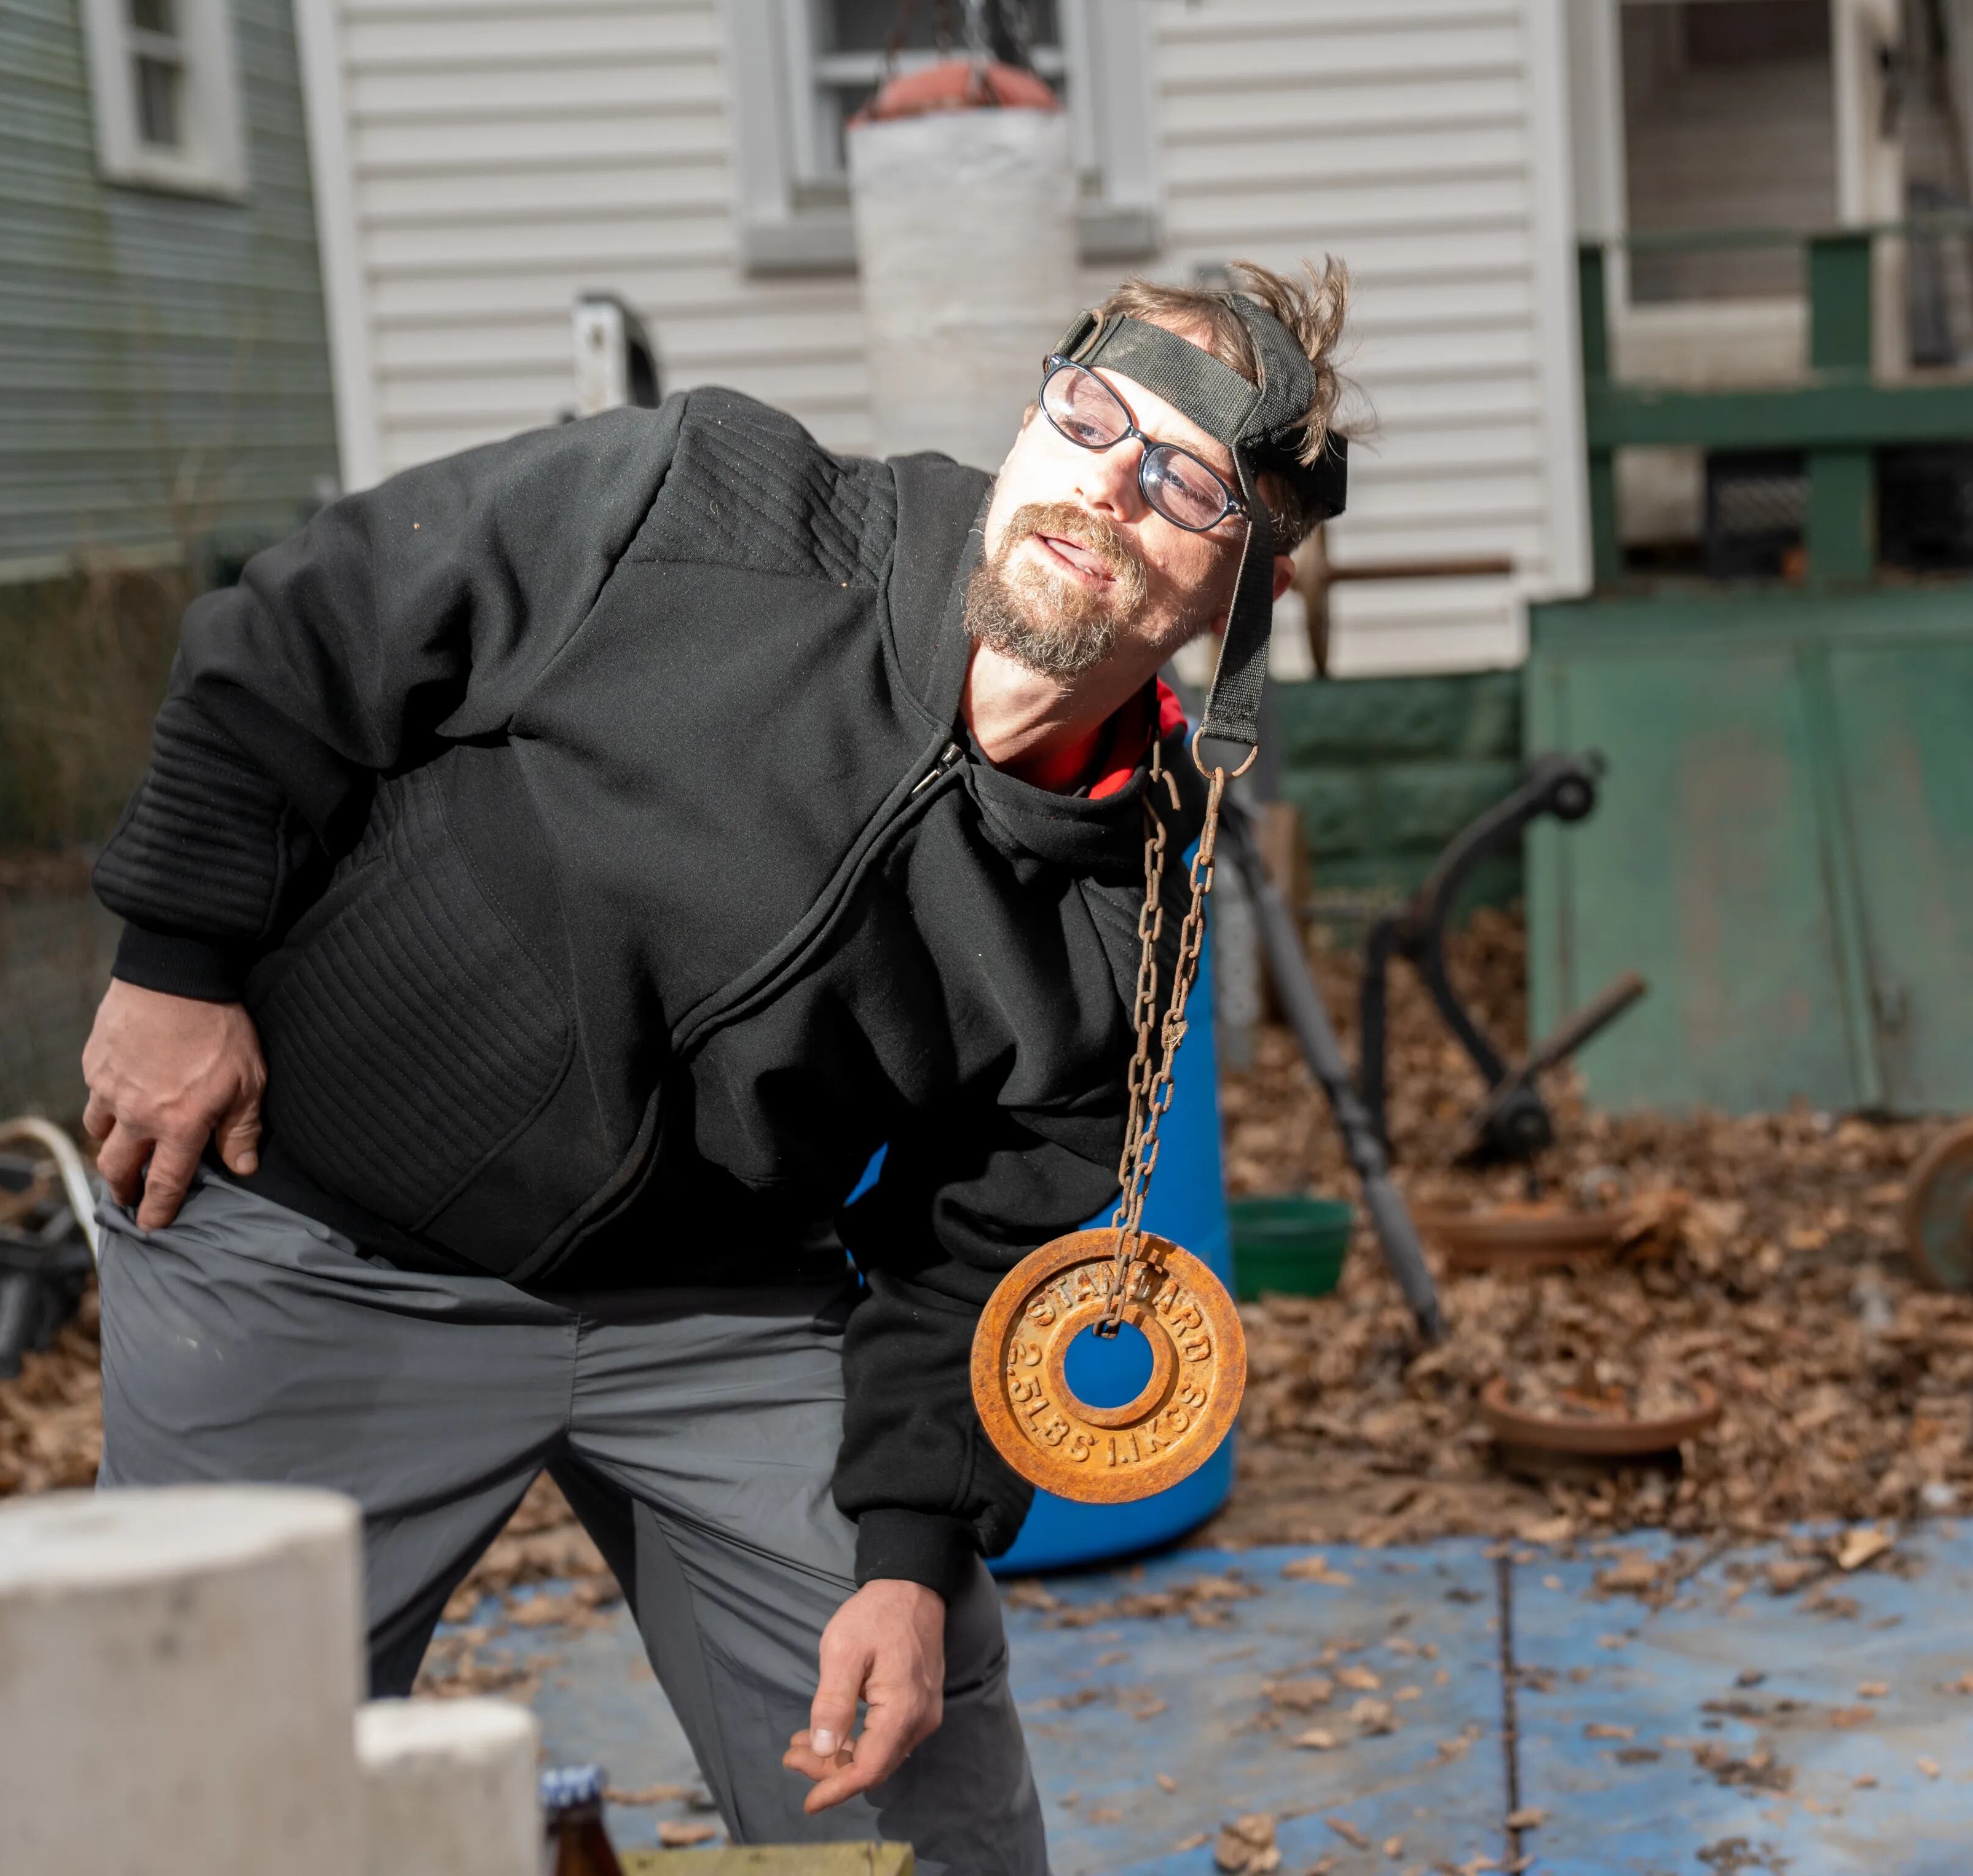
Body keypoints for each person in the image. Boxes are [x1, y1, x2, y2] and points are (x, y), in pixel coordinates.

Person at [76, 259, 1353, 1871]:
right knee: (190, 1810)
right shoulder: (707, 505)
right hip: (322, 1243)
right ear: (1035, 416)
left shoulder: (1133, 888)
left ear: (1243, 594)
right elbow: (309, 630)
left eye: (1185, 478)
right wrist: (174, 968)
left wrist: (908, 1550)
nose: (1109, 480)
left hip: (721, 1313)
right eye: (1092, 414)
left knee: (921, 1805)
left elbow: (987, 1254)